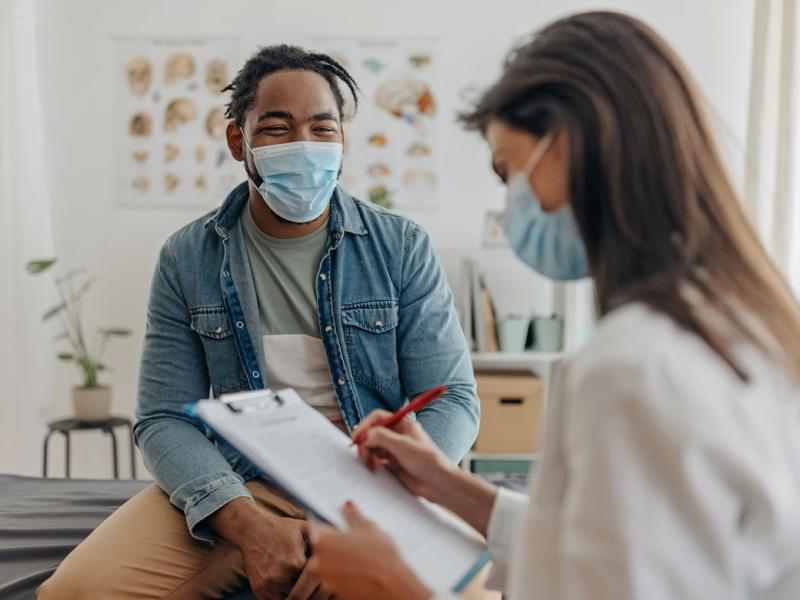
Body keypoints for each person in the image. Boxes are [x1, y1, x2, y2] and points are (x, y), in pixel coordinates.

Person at [307, 11, 800, 600]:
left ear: (567, 145)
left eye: (508, 170)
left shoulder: (635, 368)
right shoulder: (743, 316)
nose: (509, 202)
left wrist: (391, 586)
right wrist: (447, 486)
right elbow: (603, 550)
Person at [38, 45, 479, 599]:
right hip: (243, 480)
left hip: (381, 483)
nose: (304, 145)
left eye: (323, 129)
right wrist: (247, 525)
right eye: (277, 128)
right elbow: (162, 417)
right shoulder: (186, 258)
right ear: (236, 141)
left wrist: (381, 507)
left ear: (342, 139)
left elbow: (453, 399)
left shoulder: (401, 248)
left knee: (465, 588)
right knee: (76, 591)